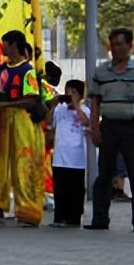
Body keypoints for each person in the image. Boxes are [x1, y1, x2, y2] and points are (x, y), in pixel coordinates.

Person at [86, 27, 134, 233]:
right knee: (104, 174)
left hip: (133, 126)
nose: (117, 49)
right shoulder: (101, 71)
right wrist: (95, 127)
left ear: (130, 45)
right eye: (113, 45)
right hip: (109, 126)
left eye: (121, 44)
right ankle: (99, 218)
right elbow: (95, 101)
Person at [0, 29, 47, 227]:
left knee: (22, 163)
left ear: (13, 45)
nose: (2, 47)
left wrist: (4, 106)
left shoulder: (27, 71)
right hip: (2, 121)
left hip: (21, 120)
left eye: (5, 44)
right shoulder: (0, 70)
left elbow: (31, 100)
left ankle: (28, 211)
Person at [47, 79, 90, 227]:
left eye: (72, 92)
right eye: (67, 92)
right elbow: (49, 125)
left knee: (76, 189)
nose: (68, 95)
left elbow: (86, 123)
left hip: (77, 158)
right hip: (60, 156)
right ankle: (59, 217)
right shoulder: (60, 110)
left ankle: (74, 218)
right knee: (60, 188)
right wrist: (53, 106)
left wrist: (76, 105)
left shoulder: (85, 110)